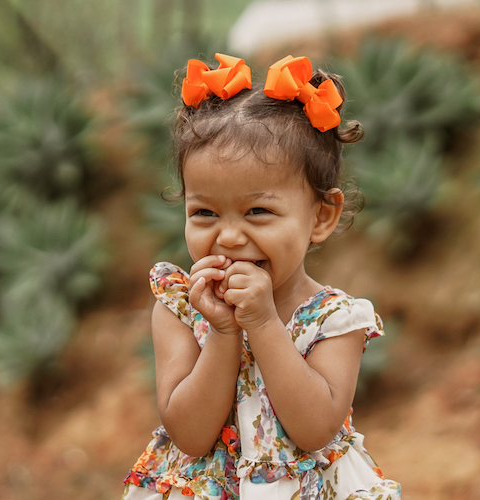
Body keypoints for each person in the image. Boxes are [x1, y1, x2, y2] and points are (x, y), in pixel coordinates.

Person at [122, 53, 401, 500]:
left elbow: (314, 429)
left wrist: (265, 324)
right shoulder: (178, 308)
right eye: (205, 212)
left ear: (321, 216)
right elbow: (190, 435)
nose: (228, 237)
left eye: (258, 211)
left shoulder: (334, 320)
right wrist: (223, 329)